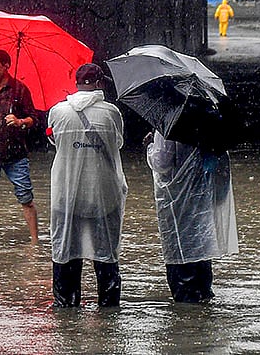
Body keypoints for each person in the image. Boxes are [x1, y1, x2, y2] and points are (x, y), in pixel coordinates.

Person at [46, 63, 127, 307]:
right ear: (100, 83)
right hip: (103, 194)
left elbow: (53, 140)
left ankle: (67, 311)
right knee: (106, 254)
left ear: (76, 83)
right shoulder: (111, 113)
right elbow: (119, 143)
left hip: (67, 194)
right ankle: (108, 312)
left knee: (66, 251)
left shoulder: (57, 111)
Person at [145, 130, 238, 303]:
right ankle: (201, 310)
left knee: (180, 254)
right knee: (200, 252)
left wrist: (151, 146)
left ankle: (186, 316)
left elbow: (161, 162)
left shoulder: (170, 126)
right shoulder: (208, 121)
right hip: (203, 197)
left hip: (177, 201)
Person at [0, 49, 41, 244]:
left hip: (16, 154)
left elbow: (34, 119)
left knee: (26, 197)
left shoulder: (20, 90)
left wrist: (20, 121)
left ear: (6, 66)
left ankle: (34, 241)